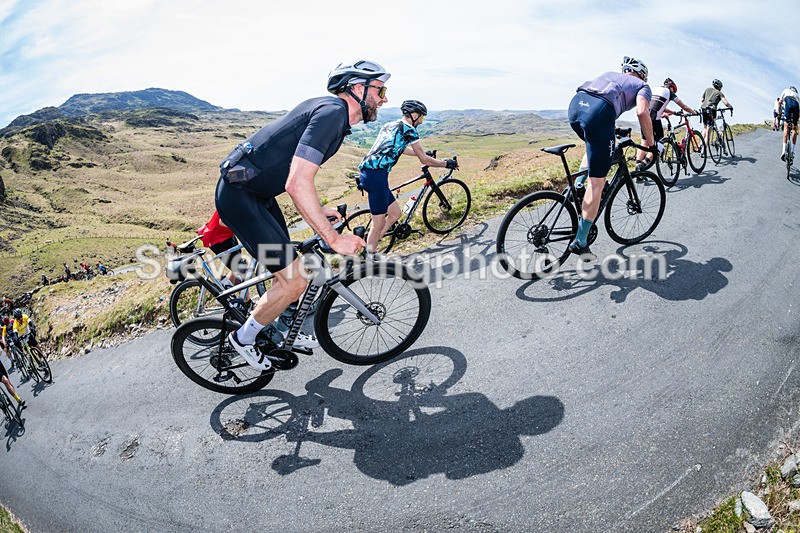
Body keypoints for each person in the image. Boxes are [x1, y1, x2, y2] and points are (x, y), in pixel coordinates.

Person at [215, 59, 390, 370]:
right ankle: (242, 340)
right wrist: (334, 239)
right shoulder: (332, 113)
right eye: (380, 89)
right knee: (295, 280)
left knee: (293, 272)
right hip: (241, 197)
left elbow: (293, 174)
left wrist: (318, 211)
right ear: (358, 88)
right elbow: (297, 182)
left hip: (258, 196)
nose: (385, 98)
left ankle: (277, 326)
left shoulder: (333, 116)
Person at [567, 56, 655, 258]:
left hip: (576, 108)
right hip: (599, 112)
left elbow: (598, 101)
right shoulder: (643, 86)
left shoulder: (610, 74)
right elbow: (642, 112)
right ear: (643, 74)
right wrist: (650, 143)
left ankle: (578, 184)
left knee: (594, 145)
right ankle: (580, 241)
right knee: (597, 182)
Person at [357, 100, 457, 253]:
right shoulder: (409, 130)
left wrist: (420, 153)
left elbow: (401, 149)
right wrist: (446, 163)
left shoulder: (390, 125)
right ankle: (369, 255)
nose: (421, 121)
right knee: (378, 224)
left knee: (395, 213)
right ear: (414, 115)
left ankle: (372, 242)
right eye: (421, 117)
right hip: (376, 176)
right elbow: (424, 160)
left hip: (371, 173)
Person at [635, 78, 697, 168]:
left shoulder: (654, 90)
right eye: (674, 90)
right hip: (655, 120)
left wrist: (674, 112)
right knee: (659, 144)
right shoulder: (670, 93)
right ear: (671, 87)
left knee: (644, 143)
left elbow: (658, 106)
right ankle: (643, 165)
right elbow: (684, 106)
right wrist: (694, 112)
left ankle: (637, 165)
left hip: (644, 117)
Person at [197, 211, 244, 288]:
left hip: (226, 235)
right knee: (241, 268)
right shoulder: (234, 199)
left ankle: (227, 294)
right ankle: (245, 299)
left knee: (237, 268)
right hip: (217, 238)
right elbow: (222, 221)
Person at [700, 79, 733, 148]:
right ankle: (704, 147)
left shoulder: (707, 89)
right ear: (720, 87)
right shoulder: (719, 93)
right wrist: (730, 107)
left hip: (703, 109)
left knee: (705, 127)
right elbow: (726, 103)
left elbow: (702, 100)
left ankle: (701, 143)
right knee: (710, 129)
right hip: (712, 110)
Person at [779, 85, 799, 161]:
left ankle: (783, 151)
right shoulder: (797, 95)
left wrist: (779, 113)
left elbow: (780, 102)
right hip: (796, 106)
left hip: (788, 104)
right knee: (794, 129)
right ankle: (792, 152)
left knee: (786, 127)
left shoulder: (785, 90)